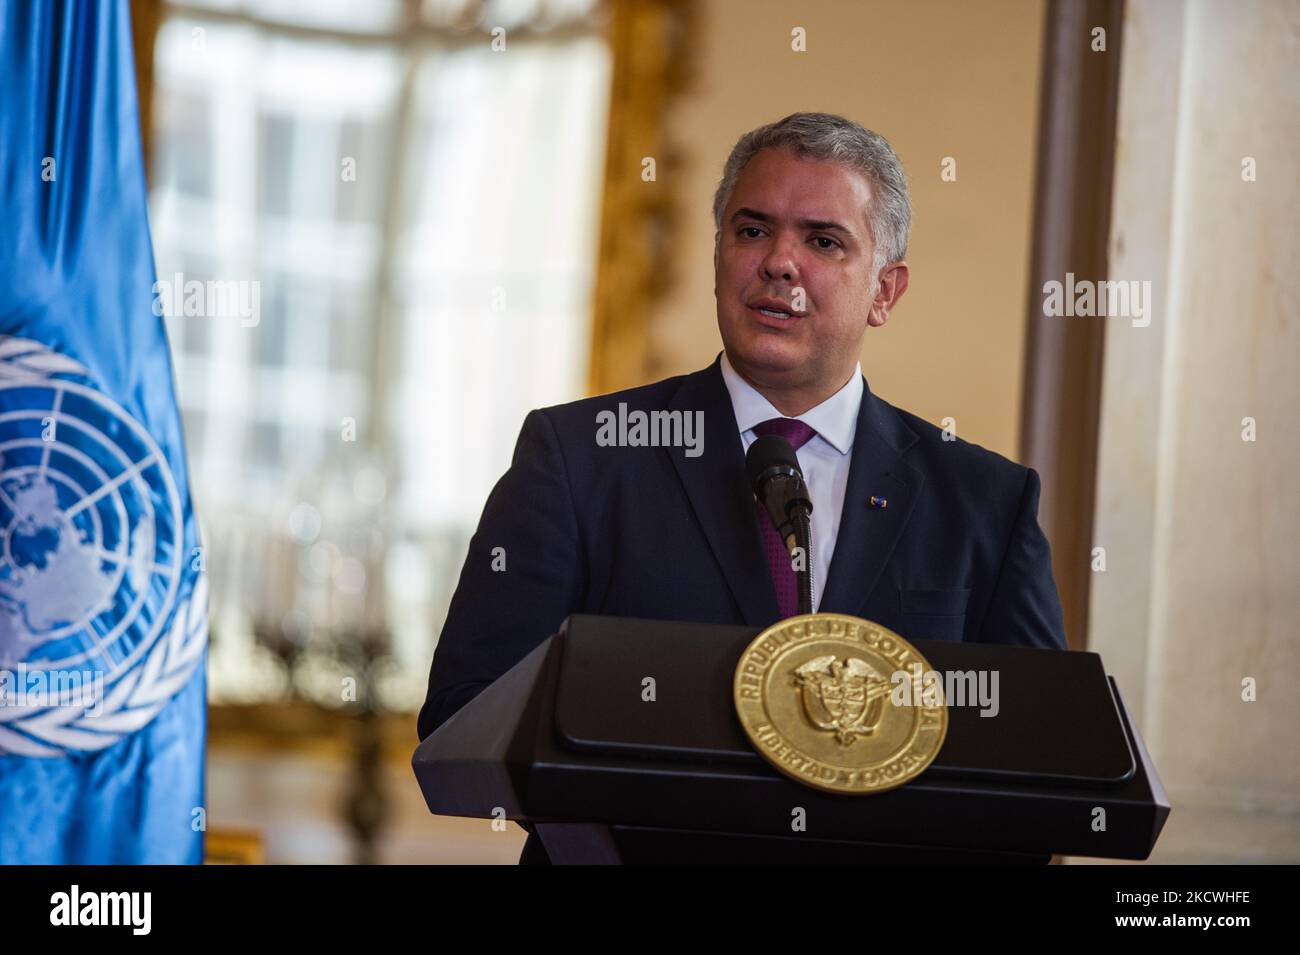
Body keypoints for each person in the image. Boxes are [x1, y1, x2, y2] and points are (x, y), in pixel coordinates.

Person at [417, 111, 1067, 863]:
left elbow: (1040, 768)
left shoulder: (985, 503)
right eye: (752, 230)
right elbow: (467, 710)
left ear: (885, 291)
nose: (779, 263)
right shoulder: (582, 459)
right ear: (718, 254)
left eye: (823, 241)